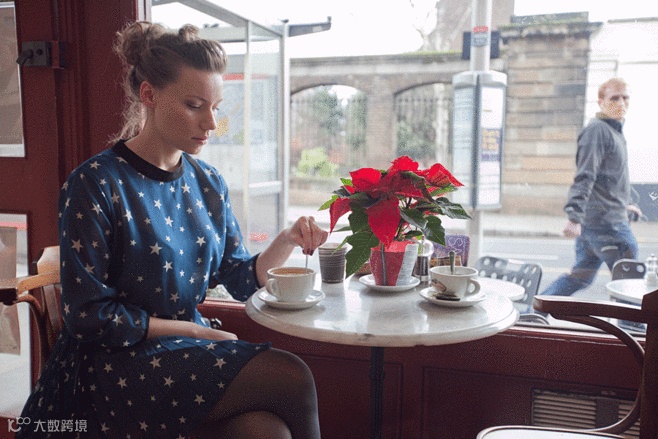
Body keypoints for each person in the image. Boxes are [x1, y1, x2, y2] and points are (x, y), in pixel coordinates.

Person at [17, 21, 327, 439]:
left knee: (266, 431)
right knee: (291, 375)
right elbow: (88, 318)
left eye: (216, 107)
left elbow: (239, 278)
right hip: (110, 367)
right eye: (195, 105)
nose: (211, 123)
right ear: (149, 95)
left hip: (180, 357)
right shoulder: (95, 183)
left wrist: (286, 239)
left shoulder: (208, 182)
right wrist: (193, 329)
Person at [540, 77, 642, 298]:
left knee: (580, 278)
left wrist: (626, 204)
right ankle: (629, 322)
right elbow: (585, 176)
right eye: (614, 98)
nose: (621, 103)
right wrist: (574, 217)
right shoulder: (597, 130)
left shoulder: (614, 131)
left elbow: (611, 177)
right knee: (631, 282)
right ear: (600, 102)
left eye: (625, 98)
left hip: (599, 221)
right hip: (607, 224)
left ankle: (537, 309)